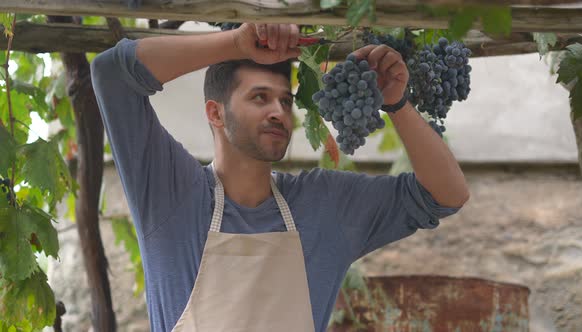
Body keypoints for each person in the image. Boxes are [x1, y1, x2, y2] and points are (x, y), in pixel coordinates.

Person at [90, 22, 469, 332]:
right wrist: (235, 42)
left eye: (285, 101)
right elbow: (111, 73)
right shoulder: (172, 196)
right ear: (216, 113)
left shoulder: (324, 206)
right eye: (259, 97)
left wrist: (397, 104)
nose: (278, 111)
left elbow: (446, 194)